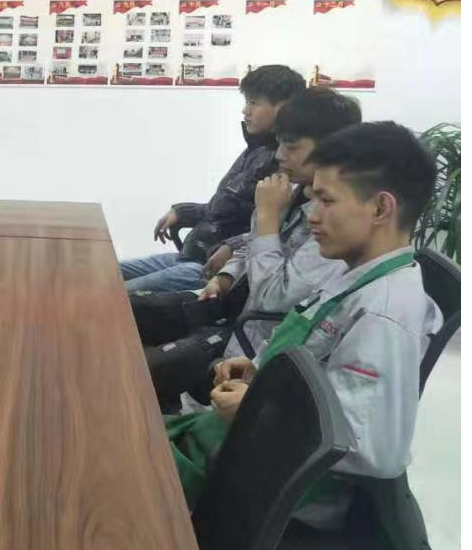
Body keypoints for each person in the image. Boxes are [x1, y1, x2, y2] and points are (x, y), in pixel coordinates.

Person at [167, 122, 442, 533]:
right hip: (253, 446)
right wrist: (259, 370)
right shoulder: (354, 272)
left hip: (278, 488)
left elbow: (374, 450)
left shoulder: (384, 315)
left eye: (326, 201)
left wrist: (260, 411)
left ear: (380, 209)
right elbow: (318, 354)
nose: (312, 216)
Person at [133, 87, 362, 409]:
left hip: (252, 336)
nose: (279, 155)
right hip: (228, 305)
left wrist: (267, 217)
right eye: (279, 143)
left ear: (331, 150)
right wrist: (227, 274)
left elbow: (274, 297)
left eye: (291, 146)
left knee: (139, 370)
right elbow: (252, 244)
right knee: (129, 309)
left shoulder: (333, 222)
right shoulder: (289, 190)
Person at [121, 65, 305, 293]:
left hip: (212, 267)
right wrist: (182, 212)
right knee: (108, 270)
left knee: (117, 292)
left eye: (254, 103)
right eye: (247, 102)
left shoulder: (286, 165)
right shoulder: (255, 150)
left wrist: (232, 246)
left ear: (283, 108)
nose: (245, 110)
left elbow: (269, 228)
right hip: (194, 254)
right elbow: (226, 208)